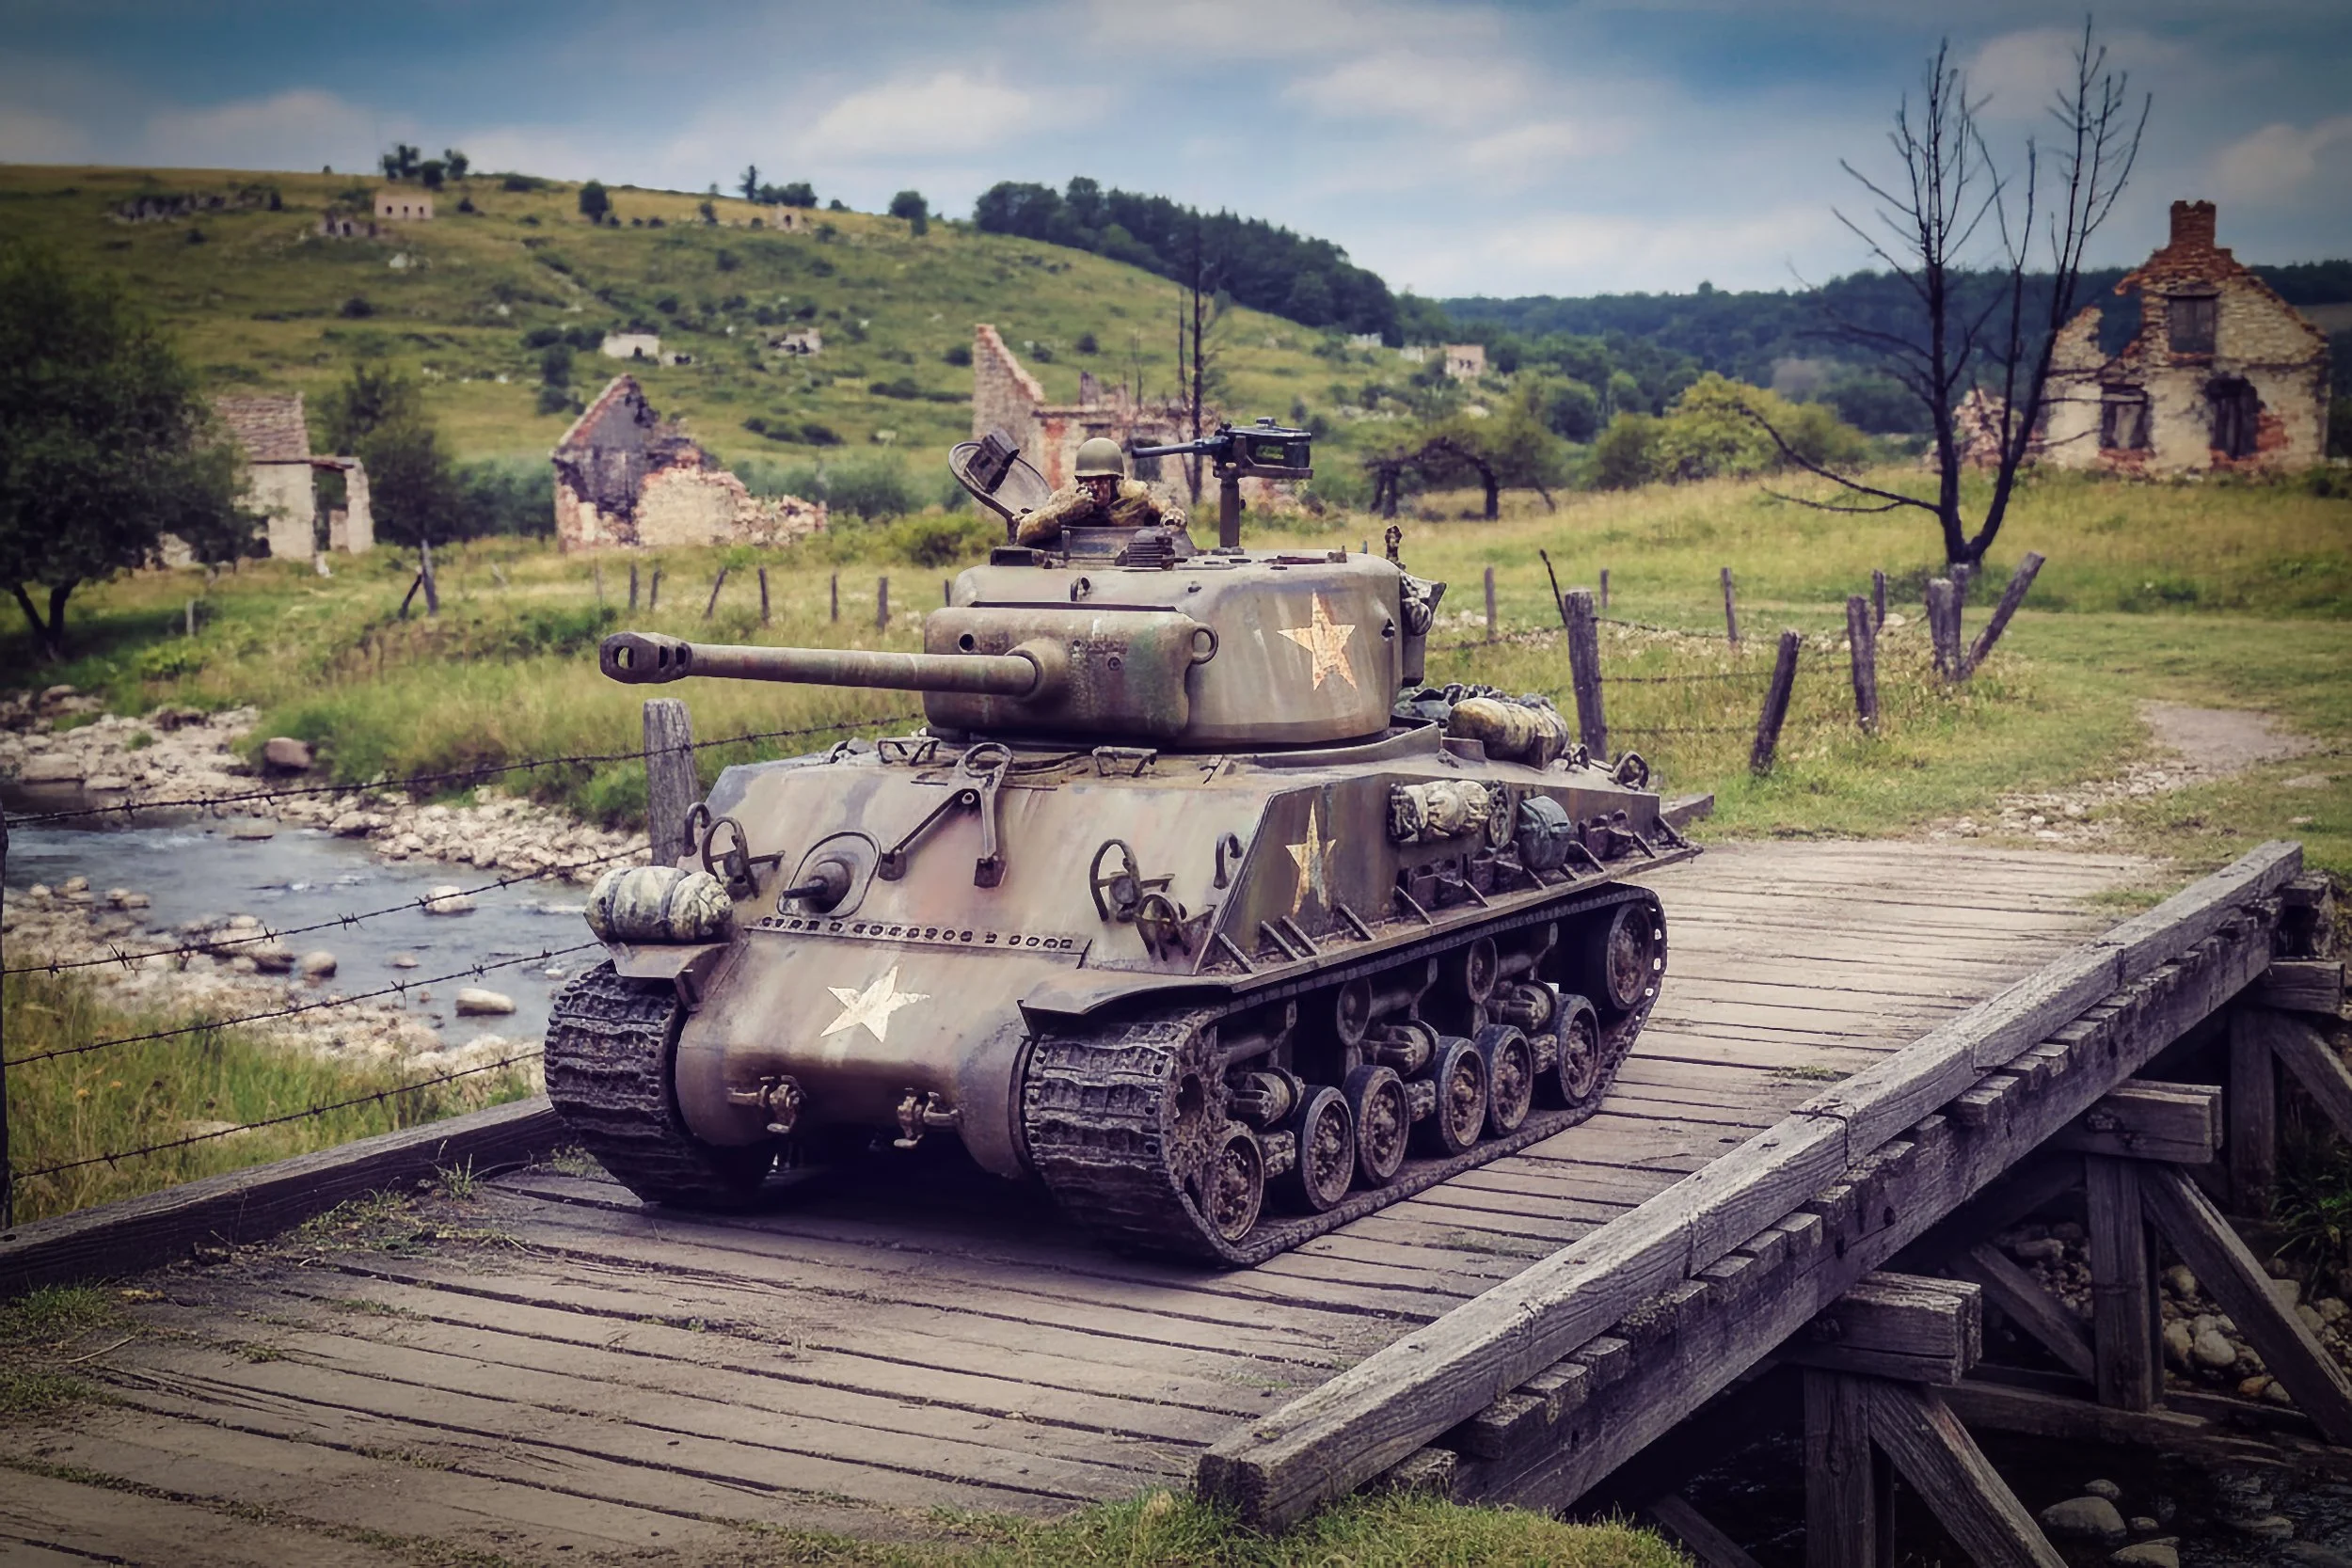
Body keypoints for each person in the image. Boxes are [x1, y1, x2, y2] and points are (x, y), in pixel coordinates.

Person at [1015, 436, 1186, 546]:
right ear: (1080, 481)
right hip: (1077, 563)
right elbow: (1024, 532)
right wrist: (1065, 512)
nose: (1095, 486)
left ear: (1114, 480)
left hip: (1128, 562)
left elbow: (1169, 512)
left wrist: (1173, 517)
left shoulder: (1135, 496)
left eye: (1102, 480)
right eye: (1089, 480)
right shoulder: (1064, 500)